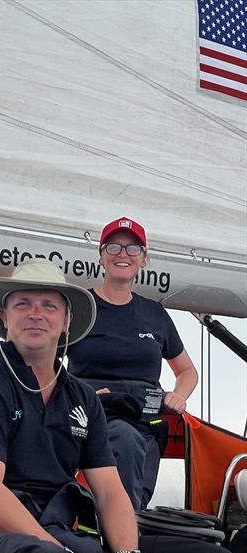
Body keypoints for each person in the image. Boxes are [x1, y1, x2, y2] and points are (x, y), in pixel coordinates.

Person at [0, 258, 139, 553]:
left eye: (48, 306)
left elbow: (110, 493)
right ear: (4, 317)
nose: (35, 314)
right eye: (23, 304)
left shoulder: (84, 399)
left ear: (66, 320)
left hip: (53, 531)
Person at [67, 216, 198, 510]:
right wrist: (80, 395)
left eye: (132, 249)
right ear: (101, 257)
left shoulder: (155, 315)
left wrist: (179, 395)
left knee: (133, 457)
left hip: (144, 423)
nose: (122, 255)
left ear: (144, 259)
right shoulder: (79, 309)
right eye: (114, 248)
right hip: (88, 419)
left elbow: (188, 371)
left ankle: (126, 535)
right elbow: (46, 364)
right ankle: (123, 546)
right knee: (122, 441)